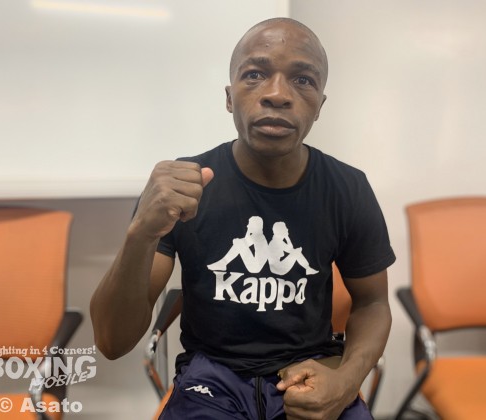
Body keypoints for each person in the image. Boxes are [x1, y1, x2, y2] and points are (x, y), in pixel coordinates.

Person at [90, 17, 395, 420]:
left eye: (302, 80)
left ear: (320, 106)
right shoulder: (182, 186)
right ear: (230, 97)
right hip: (210, 379)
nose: (277, 94)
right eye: (255, 74)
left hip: (309, 371)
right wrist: (140, 233)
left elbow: (373, 303)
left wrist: (347, 381)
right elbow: (112, 342)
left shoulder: (346, 188)